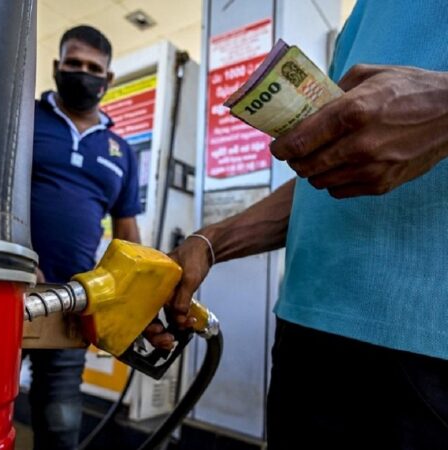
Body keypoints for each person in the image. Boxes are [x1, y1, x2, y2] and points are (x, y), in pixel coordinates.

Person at [146, 1, 448, 448]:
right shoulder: (363, 13)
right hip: (304, 324)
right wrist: (210, 241)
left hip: (426, 345)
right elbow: (321, 189)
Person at [28, 25, 141, 450]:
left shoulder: (120, 151)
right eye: (73, 63)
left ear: (108, 79)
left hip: (73, 301)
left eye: (94, 68)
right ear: (57, 67)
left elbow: (127, 230)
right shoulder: (24, 118)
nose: (83, 73)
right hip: (9, 288)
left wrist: (133, 293)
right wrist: (17, 257)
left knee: (60, 421)